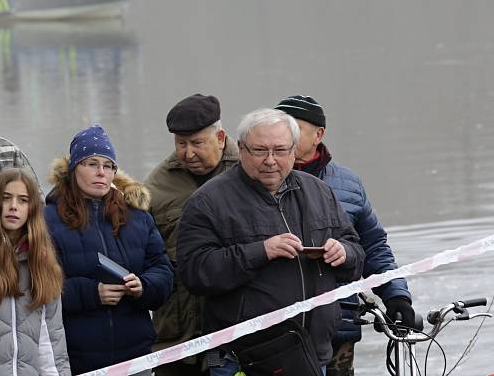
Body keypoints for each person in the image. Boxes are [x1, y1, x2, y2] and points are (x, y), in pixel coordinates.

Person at [177, 108, 364, 375]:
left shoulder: (319, 192)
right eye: (260, 150)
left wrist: (345, 252)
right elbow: (194, 273)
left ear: (293, 151)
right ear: (241, 149)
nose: (270, 160)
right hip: (242, 359)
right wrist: (259, 252)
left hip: (312, 353)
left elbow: (357, 253)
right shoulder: (208, 201)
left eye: (280, 150)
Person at [275, 95, 414, 376]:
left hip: (339, 321)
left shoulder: (348, 183)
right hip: (277, 328)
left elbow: (374, 246)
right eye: (280, 128)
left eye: (294, 128)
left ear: (319, 134)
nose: (285, 136)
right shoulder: (262, 180)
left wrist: (397, 295)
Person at [44, 125, 173, 375]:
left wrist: (143, 286)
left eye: (108, 165)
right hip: (77, 357)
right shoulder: (47, 219)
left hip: (136, 356)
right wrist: (92, 294)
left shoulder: (137, 217)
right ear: (73, 169)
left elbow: (164, 272)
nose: (101, 172)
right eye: (91, 164)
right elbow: (40, 287)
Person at [144, 94, 239, 376]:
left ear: (220, 137)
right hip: (176, 336)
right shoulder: (156, 187)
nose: (187, 153)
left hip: (238, 332)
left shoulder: (249, 172)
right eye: (180, 143)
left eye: (197, 143)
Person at [0, 169, 70, 376]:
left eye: (22, 200)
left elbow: (52, 343)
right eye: (6, 198)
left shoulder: (43, 261)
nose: (13, 206)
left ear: (32, 209)